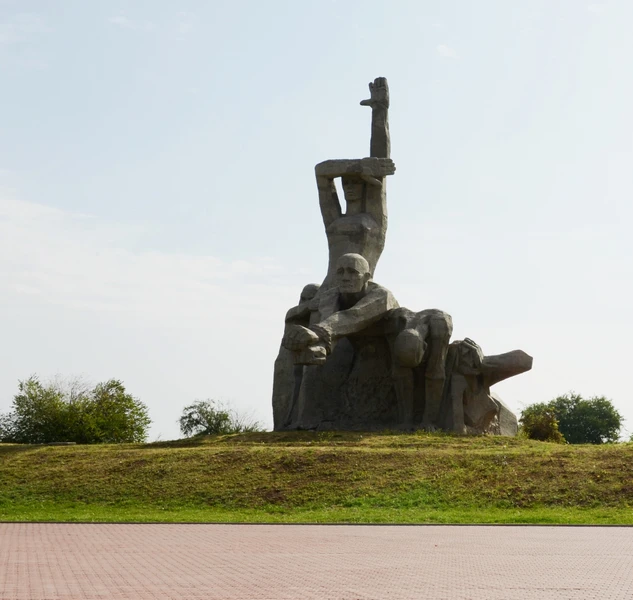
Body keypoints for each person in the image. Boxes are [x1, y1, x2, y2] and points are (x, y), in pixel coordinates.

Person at [283, 254, 452, 429]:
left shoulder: (381, 295)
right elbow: (330, 326)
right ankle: (405, 421)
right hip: (371, 349)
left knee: (409, 365)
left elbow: (354, 316)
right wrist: (314, 347)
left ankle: (423, 421)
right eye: (340, 272)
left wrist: (315, 333)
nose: (345, 277)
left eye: (352, 272)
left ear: (366, 277)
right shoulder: (330, 297)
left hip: (398, 332)